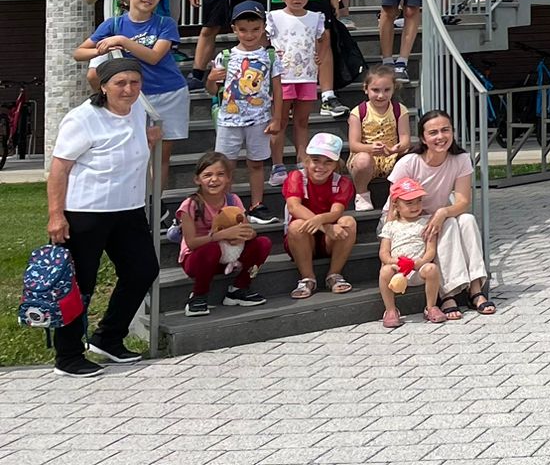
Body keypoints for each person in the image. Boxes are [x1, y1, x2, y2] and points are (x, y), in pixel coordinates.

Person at [45, 60, 160, 376]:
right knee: (79, 284)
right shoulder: (83, 119)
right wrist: (56, 215)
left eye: (135, 82)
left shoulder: (137, 111)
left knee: (142, 270)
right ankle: (68, 356)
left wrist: (149, 139)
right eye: (120, 83)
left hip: (128, 209)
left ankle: (108, 338)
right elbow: (59, 169)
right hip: (86, 212)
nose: (129, 89)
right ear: (104, 86)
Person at [71, 0, 182, 227]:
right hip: (134, 97)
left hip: (170, 92)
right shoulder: (114, 24)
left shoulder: (165, 24)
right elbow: (79, 53)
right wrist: (104, 48)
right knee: (137, 152)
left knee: (161, 156)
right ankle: (136, 204)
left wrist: (121, 41)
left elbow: (154, 57)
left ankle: (155, 205)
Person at [387, 110, 495, 317]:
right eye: (433, 132)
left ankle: (475, 288)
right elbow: (393, 204)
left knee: (467, 220)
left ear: (453, 132)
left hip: (437, 215)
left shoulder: (461, 159)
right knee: (450, 224)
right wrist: (390, 235)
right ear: (423, 138)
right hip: (408, 220)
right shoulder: (409, 162)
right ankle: (448, 294)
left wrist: (442, 212)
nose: (440, 137)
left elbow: (463, 202)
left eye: (445, 130)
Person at [204, 1, 283, 225]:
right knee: (225, 165)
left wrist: (277, 118)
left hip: (259, 119)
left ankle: (256, 205)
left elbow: (278, 90)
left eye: (255, 29)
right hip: (229, 121)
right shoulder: (225, 56)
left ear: (263, 28)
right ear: (234, 29)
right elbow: (213, 90)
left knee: (256, 163)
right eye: (243, 30)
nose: (249, 35)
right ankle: (226, 206)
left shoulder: (271, 56)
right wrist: (210, 79)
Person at [174, 151, 272, 315]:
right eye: (207, 175)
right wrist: (221, 235)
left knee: (263, 243)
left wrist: (244, 235)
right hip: (198, 260)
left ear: (228, 178)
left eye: (220, 174)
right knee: (212, 248)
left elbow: (248, 230)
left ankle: (239, 288)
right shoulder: (190, 205)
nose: (214, 179)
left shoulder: (233, 200)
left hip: (229, 258)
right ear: (197, 179)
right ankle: (198, 296)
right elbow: (191, 243)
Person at [263, 0, 331, 188]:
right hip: (282, 78)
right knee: (280, 121)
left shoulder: (315, 17)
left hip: (307, 77)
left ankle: (302, 160)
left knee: (302, 121)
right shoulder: (274, 17)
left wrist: (320, 55)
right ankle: (277, 164)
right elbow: (264, 41)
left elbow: (324, 38)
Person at [283, 132, 357, 299]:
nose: (320, 166)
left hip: (329, 240)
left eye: (328, 162)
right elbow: (294, 207)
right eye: (316, 160)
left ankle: (334, 274)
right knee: (296, 225)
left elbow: (336, 212)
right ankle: (307, 278)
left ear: (336, 164)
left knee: (348, 222)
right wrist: (325, 227)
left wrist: (322, 222)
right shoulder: (296, 177)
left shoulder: (342, 182)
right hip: (301, 239)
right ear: (307, 160)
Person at [377, 175, 450, 327]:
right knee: (384, 271)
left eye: (418, 201)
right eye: (409, 203)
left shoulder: (426, 223)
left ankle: (431, 307)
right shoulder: (390, 226)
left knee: (432, 269)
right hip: (397, 271)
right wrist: (394, 262)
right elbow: (384, 252)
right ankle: (390, 310)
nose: (415, 206)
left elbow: (430, 250)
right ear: (396, 206)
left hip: (418, 270)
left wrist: (421, 262)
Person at [346, 63, 411, 211]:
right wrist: (370, 148)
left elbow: (405, 139)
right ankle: (362, 194)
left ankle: (400, 194)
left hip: (391, 156)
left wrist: (396, 148)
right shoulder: (358, 112)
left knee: (411, 156)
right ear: (366, 88)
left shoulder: (400, 110)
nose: (381, 95)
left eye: (386, 90)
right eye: (375, 90)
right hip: (367, 157)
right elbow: (354, 145)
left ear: (393, 89)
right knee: (363, 160)